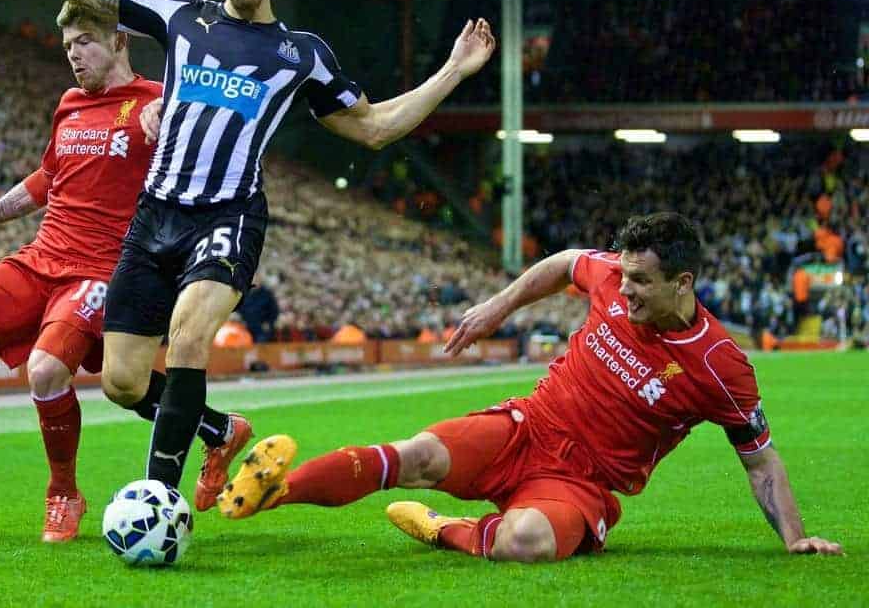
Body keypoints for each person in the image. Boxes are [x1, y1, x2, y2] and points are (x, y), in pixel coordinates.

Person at [0, 0, 497, 511]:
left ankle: (158, 501)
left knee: (191, 336)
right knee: (121, 380)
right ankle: (219, 431)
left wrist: (452, 71)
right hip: (154, 216)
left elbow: (373, 126)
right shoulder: (179, 16)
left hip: (227, 217)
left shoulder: (301, 53)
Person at [217, 213, 843, 562]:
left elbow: (759, 460)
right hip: (527, 426)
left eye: (641, 283)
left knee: (525, 541)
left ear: (684, 283)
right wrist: (498, 306)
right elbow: (567, 262)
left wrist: (795, 536)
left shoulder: (720, 366)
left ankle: (443, 528)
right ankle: (269, 493)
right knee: (417, 454)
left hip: (582, 482)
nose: (623, 292)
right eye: (622, 277)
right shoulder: (610, 278)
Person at [0, 6, 178, 542]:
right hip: (41, 257)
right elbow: (47, 178)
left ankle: (64, 493)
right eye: (68, 44)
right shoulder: (68, 105)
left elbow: (204, 156)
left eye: (86, 41)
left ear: (120, 41)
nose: (74, 53)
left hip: (99, 269)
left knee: (45, 371)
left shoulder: (158, 101)